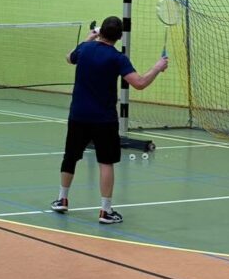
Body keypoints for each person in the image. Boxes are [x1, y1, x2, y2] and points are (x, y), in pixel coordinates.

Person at [50, 16, 168, 224]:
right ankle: (105, 211)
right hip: (104, 120)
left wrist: (88, 38)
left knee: (70, 157)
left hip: (78, 115)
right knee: (106, 163)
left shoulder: (84, 48)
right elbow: (139, 83)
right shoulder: (117, 58)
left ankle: (62, 199)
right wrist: (158, 67)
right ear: (120, 37)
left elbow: (69, 57)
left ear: (100, 32)